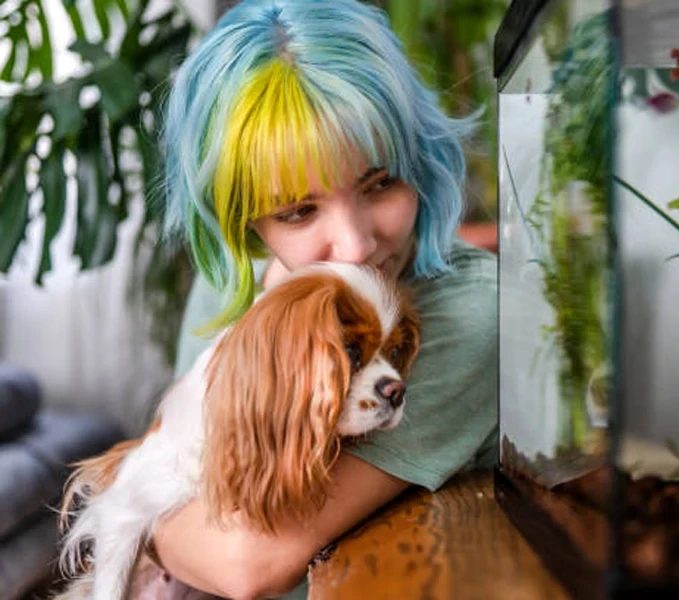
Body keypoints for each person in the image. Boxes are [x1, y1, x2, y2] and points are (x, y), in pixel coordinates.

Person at [143, 0, 498, 597]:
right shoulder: (227, 288)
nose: (357, 246)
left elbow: (244, 563)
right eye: (299, 210)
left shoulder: (469, 313)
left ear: (423, 158)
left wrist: (137, 519)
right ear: (243, 222)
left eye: (381, 182)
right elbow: (174, 477)